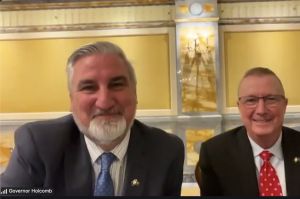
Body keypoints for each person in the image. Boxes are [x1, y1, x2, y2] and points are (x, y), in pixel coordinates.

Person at [0, 41, 185, 196]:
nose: (104, 102)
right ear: (72, 100)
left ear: (135, 94)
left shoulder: (166, 150)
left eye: (117, 84)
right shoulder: (39, 144)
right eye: (88, 87)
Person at [196, 67, 300, 196]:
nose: (261, 110)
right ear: (239, 107)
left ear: (285, 105)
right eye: (251, 100)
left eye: (271, 99)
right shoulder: (216, 154)